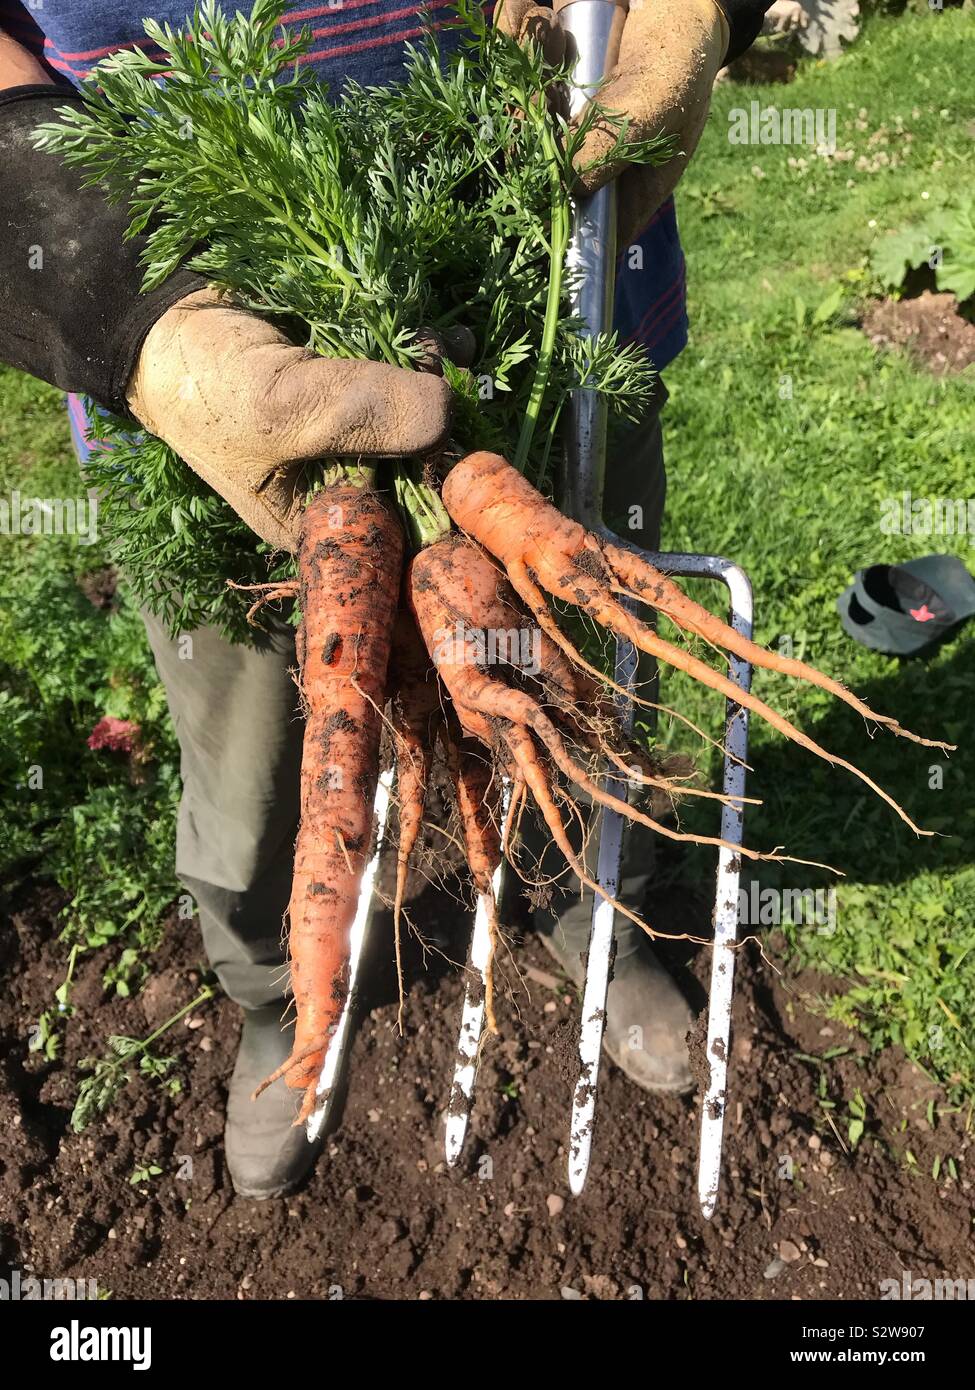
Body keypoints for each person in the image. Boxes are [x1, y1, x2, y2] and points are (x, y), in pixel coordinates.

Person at [0, 0, 772, 1198]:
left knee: (575, 680)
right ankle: (282, 997)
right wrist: (121, 306)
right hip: (199, 381)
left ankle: (591, 900)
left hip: (558, 298)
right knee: (263, 780)